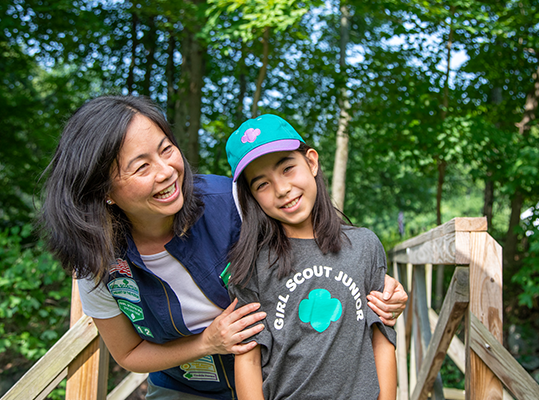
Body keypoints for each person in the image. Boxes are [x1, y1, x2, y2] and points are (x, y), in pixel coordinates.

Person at [38, 95, 406, 399]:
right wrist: (208, 343)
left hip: (277, 378)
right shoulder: (98, 264)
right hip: (184, 386)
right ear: (104, 192)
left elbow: (324, 244)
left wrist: (381, 285)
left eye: (166, 149)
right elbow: (128, 353)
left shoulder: (232, 200)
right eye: (141, 167)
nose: (166, 171)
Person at [225, 114, 397, 400]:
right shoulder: (252, 264)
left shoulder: (365, 245)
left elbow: (382, 339)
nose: (281, 189)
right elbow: (248, 358)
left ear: (312, 162)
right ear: (251, 197)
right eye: (262, 184)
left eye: (288, 168)